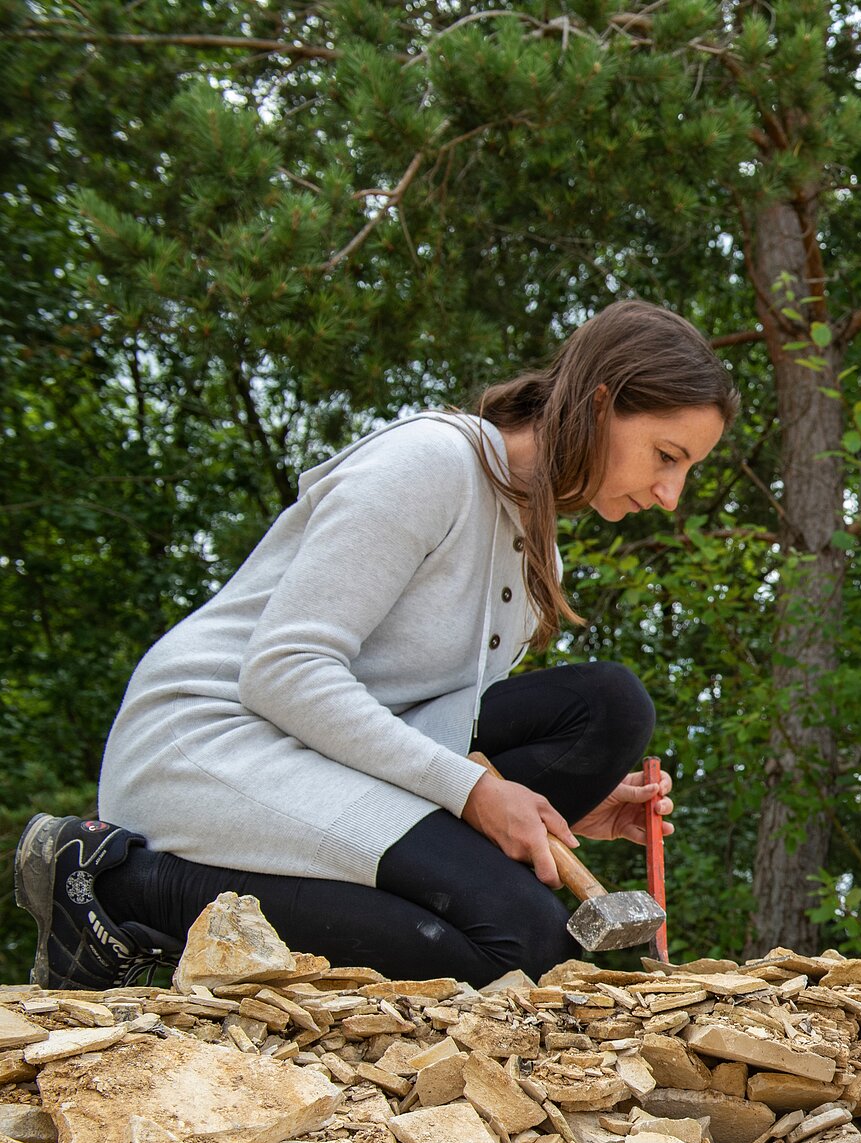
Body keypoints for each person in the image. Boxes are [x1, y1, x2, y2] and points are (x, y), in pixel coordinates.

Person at [12, 300, 733, 989]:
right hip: (214, 747)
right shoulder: (432, 463)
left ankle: (443, 913)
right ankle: (119, 889)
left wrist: (566, 804)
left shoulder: (535, 551)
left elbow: (432, 720)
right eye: (666, 455)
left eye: (688, 469)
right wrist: (475, 793)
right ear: (601, 402)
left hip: (326, 759)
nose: (671, 493)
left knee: (607, 709)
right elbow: (284, 673)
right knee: (529, 944)